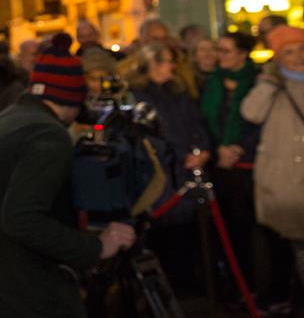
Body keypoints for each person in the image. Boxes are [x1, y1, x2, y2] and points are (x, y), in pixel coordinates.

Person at [0, 33, 136, 318]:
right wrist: (95, 247)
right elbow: (22, 218)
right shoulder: (48, 135)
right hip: (29, 294)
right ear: (73, 99)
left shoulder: (0, 121)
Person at [128, 42, 211, 289]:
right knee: (164, 236)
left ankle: (191, 283)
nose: (172, 67)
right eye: (166, 61)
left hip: (184, 173)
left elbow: (196, 125)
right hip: (160, 176)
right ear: (151, 63)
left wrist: (203, 150)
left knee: (188, 234)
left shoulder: (178, 92)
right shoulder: (138, 95)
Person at [241, 25, 304, 313]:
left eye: (301, 49)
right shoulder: (269, 85)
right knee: (286, 247)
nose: (297, 57)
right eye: (288, 52)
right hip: (282, 180)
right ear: (277, 57)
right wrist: (268, 82)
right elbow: (250, 113)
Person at [202, 31, 262, 294]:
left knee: (255, 231)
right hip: (221, 168)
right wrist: (218, 149)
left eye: (225, 51)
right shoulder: (212, 82)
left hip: (250, 167)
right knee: (229, 232)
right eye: (219, 50)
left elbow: (261, 122)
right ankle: (236, 287)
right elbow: (205, 121)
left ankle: (259, 286)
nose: (219, 56)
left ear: (241, 54)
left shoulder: (257, 81)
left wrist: (238, 148)